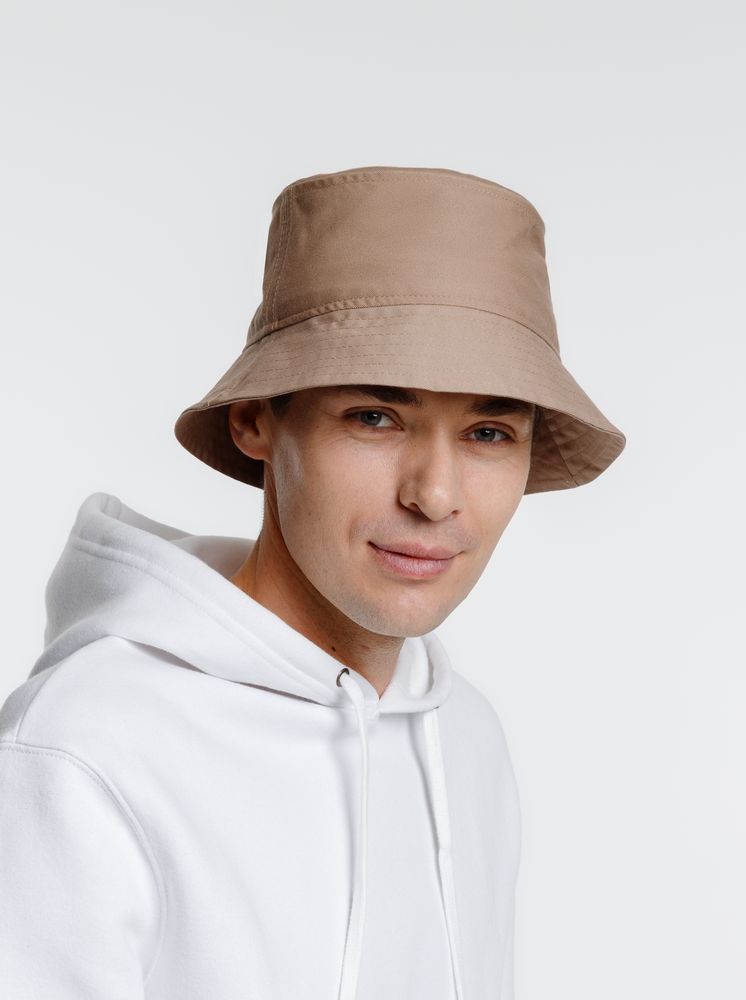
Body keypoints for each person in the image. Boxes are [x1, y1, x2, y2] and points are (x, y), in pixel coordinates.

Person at [0, 165, 626, 999]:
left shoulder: (466, 734)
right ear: (256, 420)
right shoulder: (83, 749)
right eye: (375, 417)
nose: (435, 495)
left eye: (487, 432)